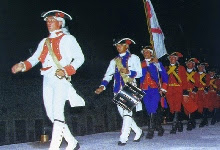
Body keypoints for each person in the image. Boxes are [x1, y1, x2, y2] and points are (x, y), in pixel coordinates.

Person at [11, 10, 85, 150]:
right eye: (47, 21)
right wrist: (22, 65)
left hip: (60, 78)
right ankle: (72, 142)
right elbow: (34, 58)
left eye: (51, 20)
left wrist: (66, 70)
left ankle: (54, 147)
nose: (48, 23)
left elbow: (80, 58)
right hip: (47, 78)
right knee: (51, 115)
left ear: (60, 22)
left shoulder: (69, 39)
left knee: (57, 113)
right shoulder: (44, 41)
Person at [95, 38, 144, 146]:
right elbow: (108, 75)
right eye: (116, 45)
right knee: (124, 115)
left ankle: (123, 138)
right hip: (117, 89)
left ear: (126, 46)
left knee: (127, 113)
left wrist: (129, 72)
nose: (118, 47)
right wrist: (102, 86)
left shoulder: (134, 58)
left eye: (120, 45)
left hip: (131, 87)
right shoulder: (114, 61)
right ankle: (138, 131)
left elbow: (140, 73)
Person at [140, 46, 168, 139]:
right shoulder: (141, 64)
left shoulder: (157, 63)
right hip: (144, 89)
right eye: (144, 52)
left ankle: (150, 131)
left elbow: (165, 76)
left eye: (147, 52)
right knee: (149, 110)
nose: (145, 53)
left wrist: (163, 88)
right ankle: (159, 128)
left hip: (155, 89)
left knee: (152, 107)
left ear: (151, 53)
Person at [166, 52, 188, 134]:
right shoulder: (166, 68)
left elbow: (184, 80)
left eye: (174, 58)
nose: (172, 59)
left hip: (178, 89)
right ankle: (179, 123)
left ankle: (174, 126)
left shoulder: (181, 68)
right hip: (169, 90)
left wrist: (185, 92)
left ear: (177, 59)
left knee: (177, 106)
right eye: (171, 58)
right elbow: (164, 80)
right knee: (172, 107)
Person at [184, 58, 200, 130]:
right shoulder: (183, 72)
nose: (189, 64)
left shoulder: (196, 74)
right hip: (185, 93)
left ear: (193, 65)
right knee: (186, 109)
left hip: (193, 93)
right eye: (188, 63)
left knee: (191, 107)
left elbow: (197, 84)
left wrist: (194, 92)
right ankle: (191, 120)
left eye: (191, 63)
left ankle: (190, 122)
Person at [196, 62, 211, 128]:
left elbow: (208, 83)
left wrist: (206, 89)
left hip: (204, 92)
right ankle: (204, 120)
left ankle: (204, 120)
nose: (200, 68)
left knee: (205, 105)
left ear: (203, 68)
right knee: (200, 106)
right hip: (198, 92)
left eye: (202, 67)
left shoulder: (206, 75)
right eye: (199, 67)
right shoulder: (195, 74)